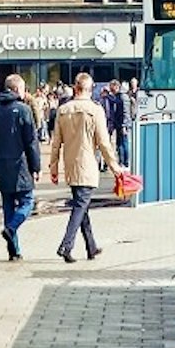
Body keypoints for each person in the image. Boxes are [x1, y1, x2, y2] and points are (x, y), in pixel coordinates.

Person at [47, 69, 115, 263]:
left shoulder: (63, 110)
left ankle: (91, 247)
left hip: (70, 164)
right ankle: (66, 245)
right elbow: (104, 143)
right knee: (80, 205)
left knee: (81, 204)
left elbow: (55, 143)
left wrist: (53, 167)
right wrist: (115, 167)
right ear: (90, 89)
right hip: (87, 164)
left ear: (75, 88)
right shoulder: (95, 110)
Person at [0, 72, 43, 263]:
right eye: (24, 88)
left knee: (8, 207)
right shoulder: (23, 110)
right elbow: (31, 141)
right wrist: (36, 166)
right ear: (17, 89)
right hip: (21, 165)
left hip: (1, 165)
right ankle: (11, 228)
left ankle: (14, 251)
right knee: (27, 202)